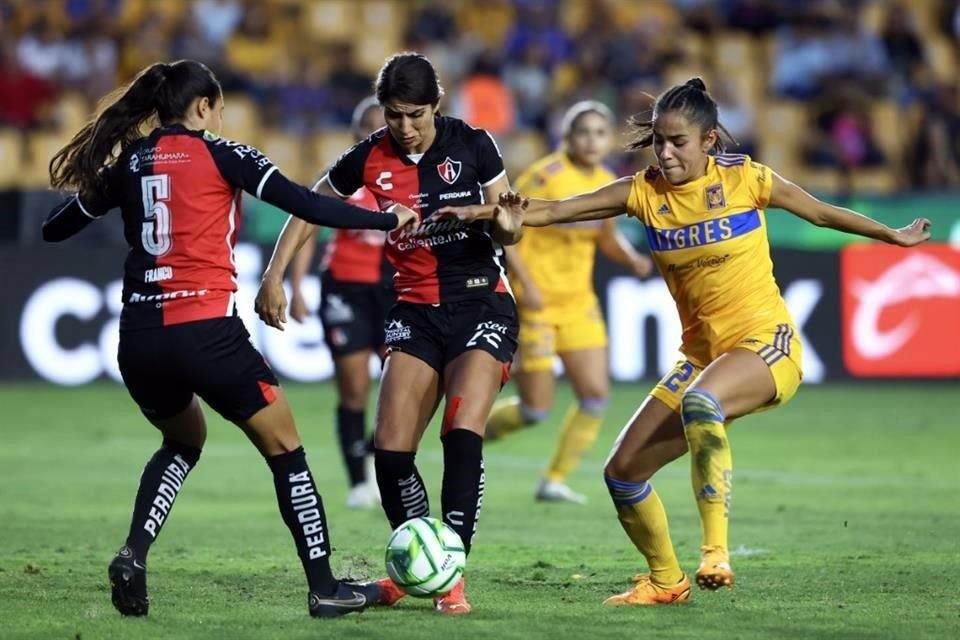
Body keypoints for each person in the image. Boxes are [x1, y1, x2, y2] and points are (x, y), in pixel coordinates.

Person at [440, 77, 931, 606]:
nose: (666, 153)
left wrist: (891, 234)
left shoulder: (747, 179)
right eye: (658, 141)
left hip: (768, 344)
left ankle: (715, 552)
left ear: (709, 142)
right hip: (703, 356)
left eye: (678, 142)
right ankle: (666, 581)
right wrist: (483, 212)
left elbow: (819, 211)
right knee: (622, 473)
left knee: (702, 402)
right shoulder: (644, 193)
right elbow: (554, 209)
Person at [42, 59, 418, 619]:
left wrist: (106, 184)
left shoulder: (132, 162)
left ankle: (133, 554)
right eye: (218, 108)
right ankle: (324, 587)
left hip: (139, 338)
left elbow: (56, 227)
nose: (220, 117)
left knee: (182, 442)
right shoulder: (223, 153)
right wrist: (388, 220)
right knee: (286, 450)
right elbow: (305, 203)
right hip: (206, 332)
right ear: (202, 108)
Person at [255, 52, 522, 615]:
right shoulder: (368, 156)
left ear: (437, 105)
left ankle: (449, 578)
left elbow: (511, 225)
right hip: (414, 309)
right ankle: (415, 567)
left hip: (480, 302)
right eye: (394, 115)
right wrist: (275, 274)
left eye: (415, 115)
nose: (404, 127)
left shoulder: (474, 144)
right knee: (391, 454)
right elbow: (308, 207)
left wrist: (491, 217)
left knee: (461, 433)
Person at [484, 101, 652, 504]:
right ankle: (465, 438)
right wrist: (524, 281)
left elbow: (606, 235)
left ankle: (555, 479)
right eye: (583, 132)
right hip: (538, 303)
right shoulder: (545, 176)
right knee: (535, 409)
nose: (591, 141)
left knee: (595, 396)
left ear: (609, 139)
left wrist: (632, 259)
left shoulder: (607, 179)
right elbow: (507, 226)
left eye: (599, 133)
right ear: (568, 136)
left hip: (579, 304)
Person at [287, 96, 391, 509]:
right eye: (369, 125)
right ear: (355, 133)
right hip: (345, 287)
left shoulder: (406, 176)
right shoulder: (339, 178)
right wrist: (296, 287)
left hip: (395, 290)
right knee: (354, 388)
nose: (378, 132)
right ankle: (358, 483)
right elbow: (306, 231)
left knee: (406, 386)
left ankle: (374, 457)